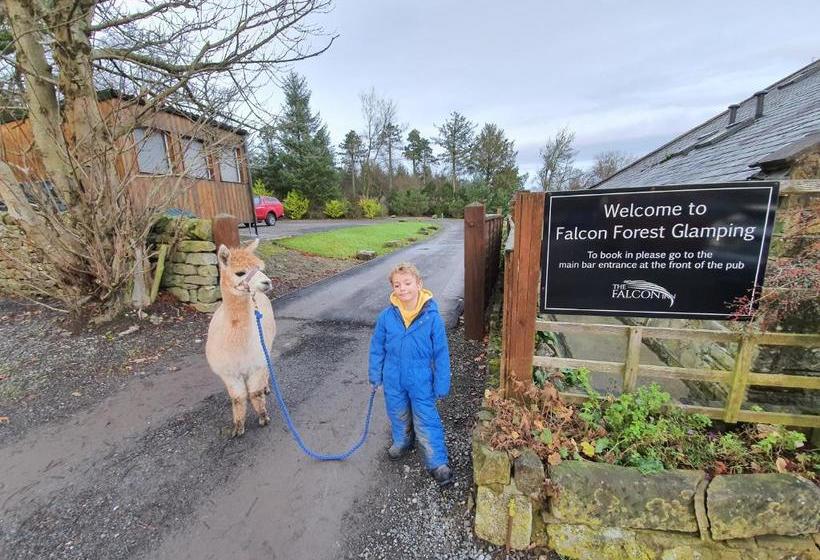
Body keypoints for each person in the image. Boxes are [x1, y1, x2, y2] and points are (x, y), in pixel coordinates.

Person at [368, 262, 453, 487]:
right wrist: (375, 375)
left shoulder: (432, 317)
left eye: (407, 283)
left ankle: (436, 461)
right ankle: (403, 440)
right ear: (392, 288)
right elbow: (377, 347)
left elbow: (441, 353)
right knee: (397, 412)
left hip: (420, 378)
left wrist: (442, 382)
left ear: (419, 284)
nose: (402, 288)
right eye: (397, 285)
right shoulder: (387, 317)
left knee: (426, 417)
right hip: (393, 377)